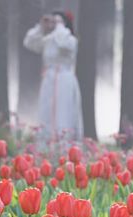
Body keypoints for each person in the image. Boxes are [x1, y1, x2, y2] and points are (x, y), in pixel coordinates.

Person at [23, 11, 83, 148]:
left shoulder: (70, 39)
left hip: (65, 80)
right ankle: (45, 149)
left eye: (57, 22)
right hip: (48, 80)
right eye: (52, 22)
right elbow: (29, 42)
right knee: (46, 115)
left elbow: (63, 43)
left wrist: (60, 26)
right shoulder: (48, 40)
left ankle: (66, 149)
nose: (54, 25)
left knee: (64, 114)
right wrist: (41, 27)